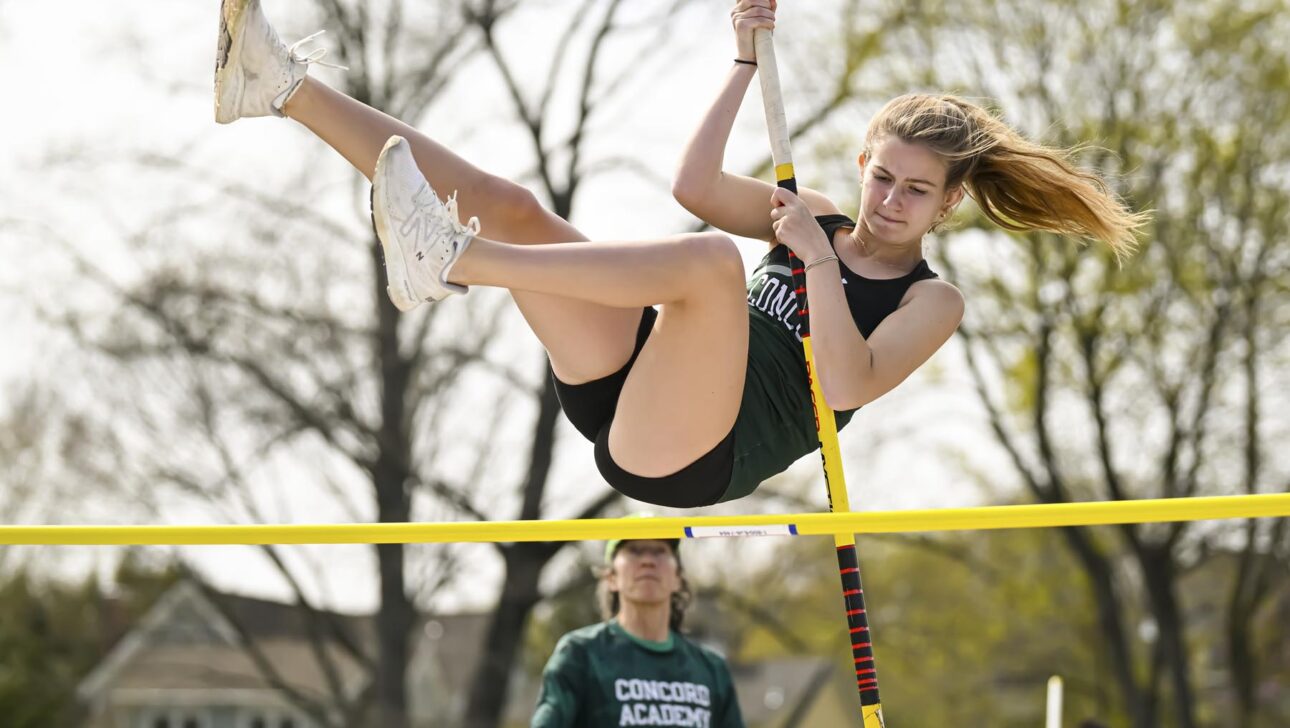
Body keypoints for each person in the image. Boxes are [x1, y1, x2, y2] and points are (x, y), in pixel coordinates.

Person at [213, 0, 1146, 508]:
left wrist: (816, 264)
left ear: (947, 207)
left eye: (916, 192)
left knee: (709, 269)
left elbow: (851, 384)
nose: (891, 203)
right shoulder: (811, 211)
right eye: (883, 178)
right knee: (517, 205)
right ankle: (281, 86)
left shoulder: (932, 303)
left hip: (697, 455)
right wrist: (742, 67)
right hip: (637, 383)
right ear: (863, 166)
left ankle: (452, 263)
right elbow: (695, 187)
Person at [531, 535, 744, 727]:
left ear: (677, 578)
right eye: (634, 551)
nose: (648, 561)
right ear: (611, 578)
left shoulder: (711, 669)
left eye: (659, 552)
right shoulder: (581, 654)